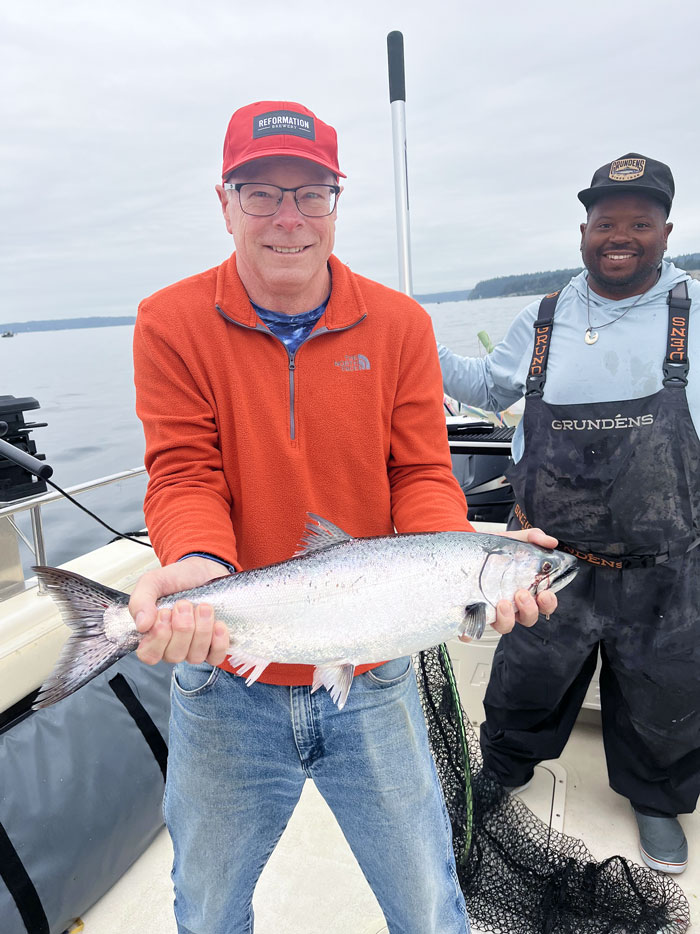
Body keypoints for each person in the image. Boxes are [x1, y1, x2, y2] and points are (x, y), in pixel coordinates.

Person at [127, 100, 557, 934]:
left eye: (311, 193)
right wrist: (200, 564)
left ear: (336, 202)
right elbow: (182, 471)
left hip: (374, 670)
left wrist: (464, 565)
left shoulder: (400, 324)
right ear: (225, 202)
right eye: (261, 193)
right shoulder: (169, 322)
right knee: (207, 907)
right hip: (224, 680)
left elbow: (425, 472)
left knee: (429, 904)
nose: (288, 218)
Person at [438, 152, 700, 876]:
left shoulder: (694, 311)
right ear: (584, 230)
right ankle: (505, 768)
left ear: (666, 230)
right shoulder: (544, 318)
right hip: (548, 561)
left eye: (639, 223)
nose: (620, 236)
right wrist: (407, 337)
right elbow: (485, 391)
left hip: (667, 569)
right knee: (524, 682)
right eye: (605, 222)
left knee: (667, 693)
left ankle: (655, 797)